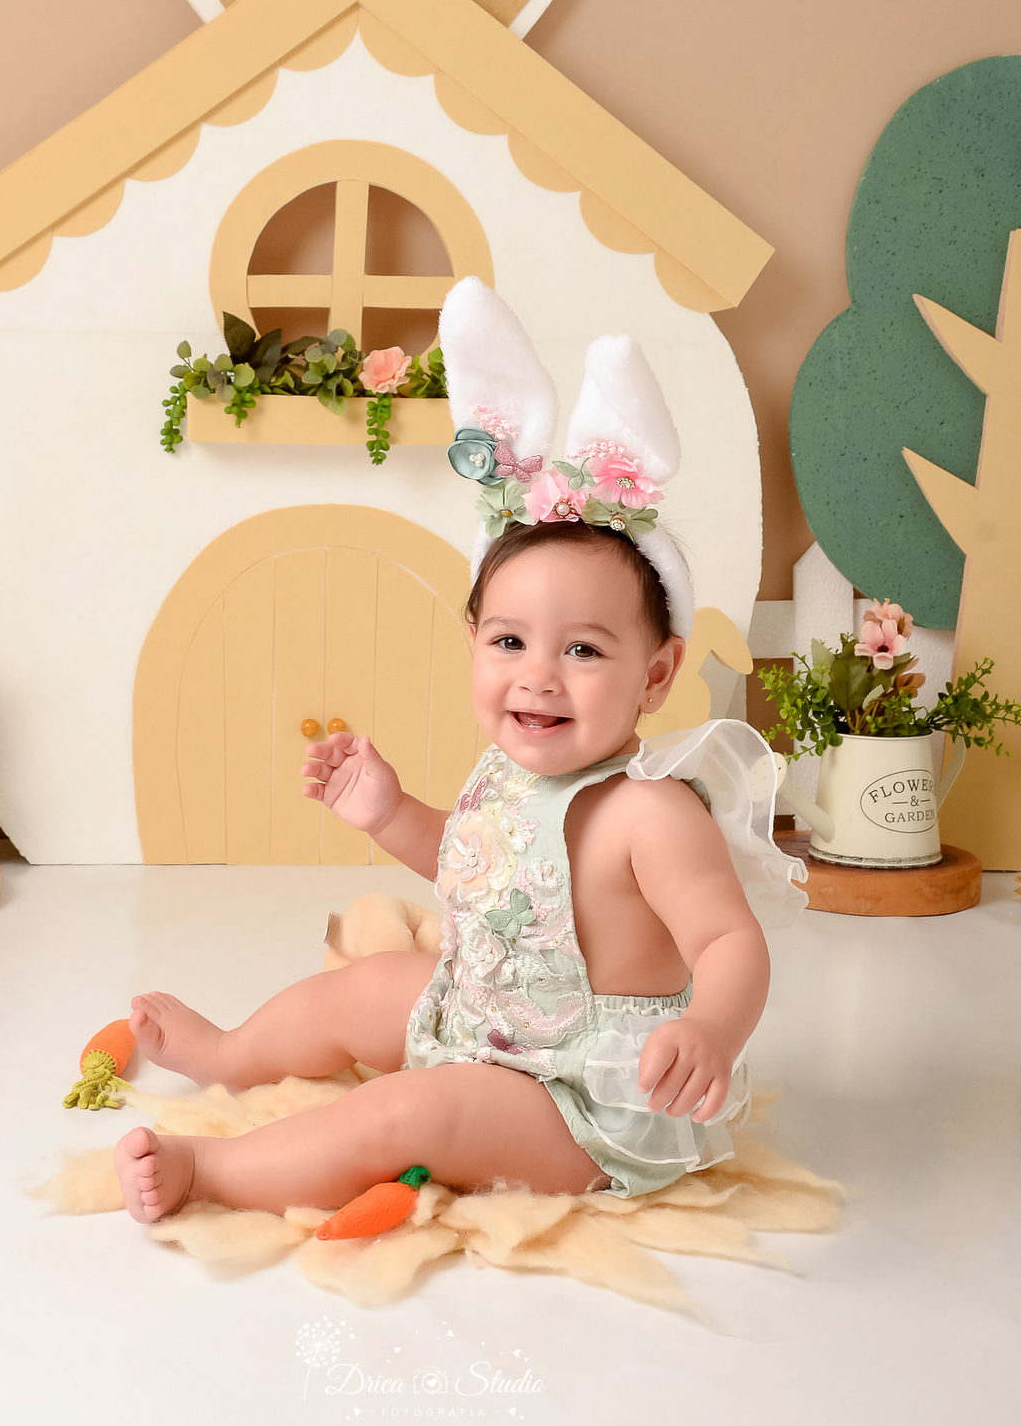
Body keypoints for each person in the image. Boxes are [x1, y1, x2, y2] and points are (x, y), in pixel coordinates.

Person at [113, 280, 806, 1225]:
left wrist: (710, 1028)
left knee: (409, 1110)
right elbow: (480, 873)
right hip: (485, 1022)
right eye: (509, 641)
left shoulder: (652, 811)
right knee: (363, 989)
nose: (539, 678)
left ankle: (215, 1172)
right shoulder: (513, 772)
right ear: (474, 638)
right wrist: (391, 813)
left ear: (656, 674)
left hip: (579, 1102)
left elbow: (730, 941)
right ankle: (233, 1053)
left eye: (585, 650)